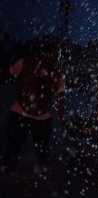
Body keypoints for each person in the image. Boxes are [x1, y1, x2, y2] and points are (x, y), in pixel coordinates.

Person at [1, 37, 68, 174]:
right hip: (20, 112)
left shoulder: (57, 75)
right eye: (55, 55)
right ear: (45, 54)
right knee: (13, 147)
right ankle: (9, 172)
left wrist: (64, 121)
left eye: (58, 55)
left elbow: (60, 101)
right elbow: (5, 74)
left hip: (42, 117)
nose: (57, 58)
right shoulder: (25, 63)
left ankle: (40, 173)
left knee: (42, 150)